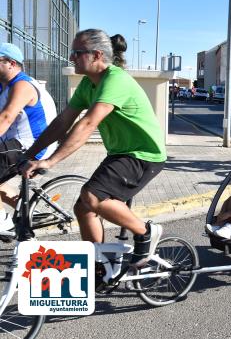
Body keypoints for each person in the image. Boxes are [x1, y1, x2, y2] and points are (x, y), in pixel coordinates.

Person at [20, 29, 166, 267]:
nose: (71, 58)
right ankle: (100, 265)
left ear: (97, 55)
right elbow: (62, 122)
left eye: (77, 53)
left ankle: (146, 232)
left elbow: (88, 123)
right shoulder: (88, 84)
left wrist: (50, 162)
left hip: (144, 154)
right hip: (120, 153)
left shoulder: (115, 80)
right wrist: (31, 154)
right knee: (83, 208)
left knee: (92, 196)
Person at [0, 43, 58, 232]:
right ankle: (26, 209)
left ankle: (5, 223)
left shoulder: (22, 84)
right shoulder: (4, 86)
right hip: (13, 144)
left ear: (11, 63)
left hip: (33, 146)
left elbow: (6, 118)